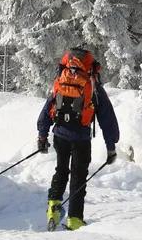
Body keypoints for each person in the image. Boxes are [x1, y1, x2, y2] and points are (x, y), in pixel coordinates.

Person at [36, 47, 120, 230]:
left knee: (61, 171)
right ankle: (74, 219)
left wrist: (42, 135)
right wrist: (111, 145)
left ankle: (53, 209)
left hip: (59, 134)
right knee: (78, 177)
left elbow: (47, 108)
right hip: (81, 138)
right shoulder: (92, 85)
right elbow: (107, 116)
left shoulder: (61, 79)